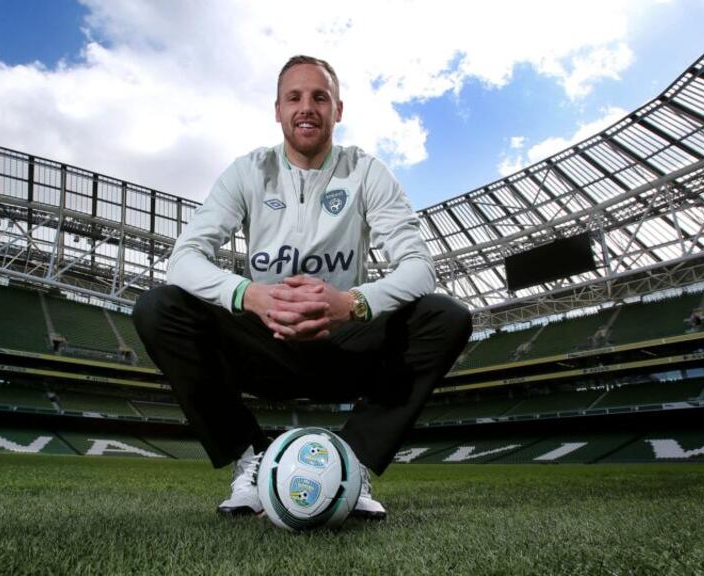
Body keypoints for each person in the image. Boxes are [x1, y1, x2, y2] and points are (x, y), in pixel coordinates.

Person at [133, 55, 472, 520]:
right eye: (294, 97)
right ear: (277, 110)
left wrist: (351, 303)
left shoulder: (367, 172)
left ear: (338, 110)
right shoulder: (248, 171)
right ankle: (250, 458)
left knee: (447, 316)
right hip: (264, 342)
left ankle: (350, 464)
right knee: (158, 307)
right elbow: (184, 259)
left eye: (320, 97)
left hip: (344, 343)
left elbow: (419, 267)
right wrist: (251, 296)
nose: (306, 107)